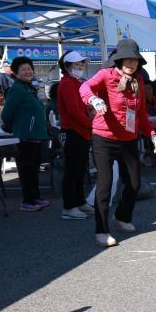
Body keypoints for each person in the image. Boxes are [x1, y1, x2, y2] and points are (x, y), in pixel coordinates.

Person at [81, 39, 156, 247]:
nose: (131, 63)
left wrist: (151, 134)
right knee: (105, 185)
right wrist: (93, 100)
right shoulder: (106, 75)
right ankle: (101, 230)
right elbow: (85, 87)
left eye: (134, 59)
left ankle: (122, 217)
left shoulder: (139, 82)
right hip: (104, 138)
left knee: (134, 183)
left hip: (128, 139)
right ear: (118, 59)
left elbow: (141, 113)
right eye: (127, 59)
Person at [0, 57, 50, 212]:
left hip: (35, 135)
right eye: (23, 69)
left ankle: (35, 197)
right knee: (26, 169)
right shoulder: (17, 89)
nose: (28, 71)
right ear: (15, 73)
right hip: (25, 135)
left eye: (29, 68)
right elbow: (7, 112)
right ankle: (27, 200)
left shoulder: (29, 87)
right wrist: (11, 127)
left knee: (34, 168)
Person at [56, 51, 94, 220]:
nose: (80, 67)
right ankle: (69, 207)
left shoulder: (76, 82)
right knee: (72, 170)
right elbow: (73, 111)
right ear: (67, 66)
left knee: (80, 169)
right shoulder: (66, 83)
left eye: (81, 64)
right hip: (73, 131)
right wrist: (90, 124)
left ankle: (79, 201)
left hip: (82, 131)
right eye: (76, 64)